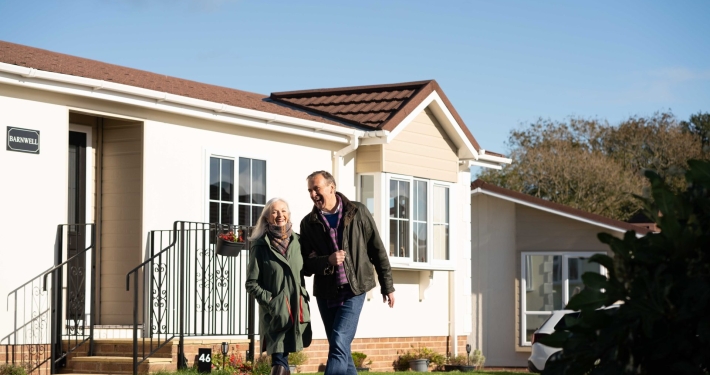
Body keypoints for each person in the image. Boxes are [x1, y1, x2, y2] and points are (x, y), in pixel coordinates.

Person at [299, 170, 395, 375]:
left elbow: (377, 249)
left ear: (331, 188)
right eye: (309, 190)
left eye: (316, 189)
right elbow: (306, 265)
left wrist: (387, 285)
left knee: (340, 341)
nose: (313, 194)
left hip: (355, 288)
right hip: (326, 293)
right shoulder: (308, 223)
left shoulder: (358, 211)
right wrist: (327, 260)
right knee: (340, 346)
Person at [245, 198, 312, 375]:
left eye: (283, 211)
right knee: (280, 358)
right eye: (274, 212)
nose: (279, 215)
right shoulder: (260, 246)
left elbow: (308, 267)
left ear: (289, 215)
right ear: (267, 218)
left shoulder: (298, 242)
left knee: (283, 359)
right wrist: (271, 300)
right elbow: (251, 283)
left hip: (297, 309)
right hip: (276, 312)